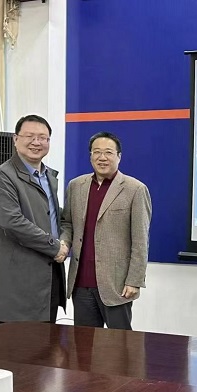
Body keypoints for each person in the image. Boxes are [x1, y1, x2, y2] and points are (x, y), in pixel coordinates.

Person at [60, 131, 151, 330]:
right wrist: (64, 243)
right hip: (81, 283)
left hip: (116, 285)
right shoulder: (76, 186)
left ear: (119, 156)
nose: (102, 157)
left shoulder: (135, 189)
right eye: (97, 152)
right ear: (90, 156)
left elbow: (140, 239)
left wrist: (134, 280)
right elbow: (67, 223)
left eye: (108, 152)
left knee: (119, 344)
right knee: (83, 343)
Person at [0, 114, 68, 323]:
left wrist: (65, 241)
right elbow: (11, 221)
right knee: (19, 342)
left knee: (48, 341)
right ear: (16, 139)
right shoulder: (3, 175)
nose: (36, 142)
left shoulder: (48, 176)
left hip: (49, 278)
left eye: (43, 137)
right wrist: (54, 247)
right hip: (18, 282)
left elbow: (55, 216)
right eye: (29, 136)